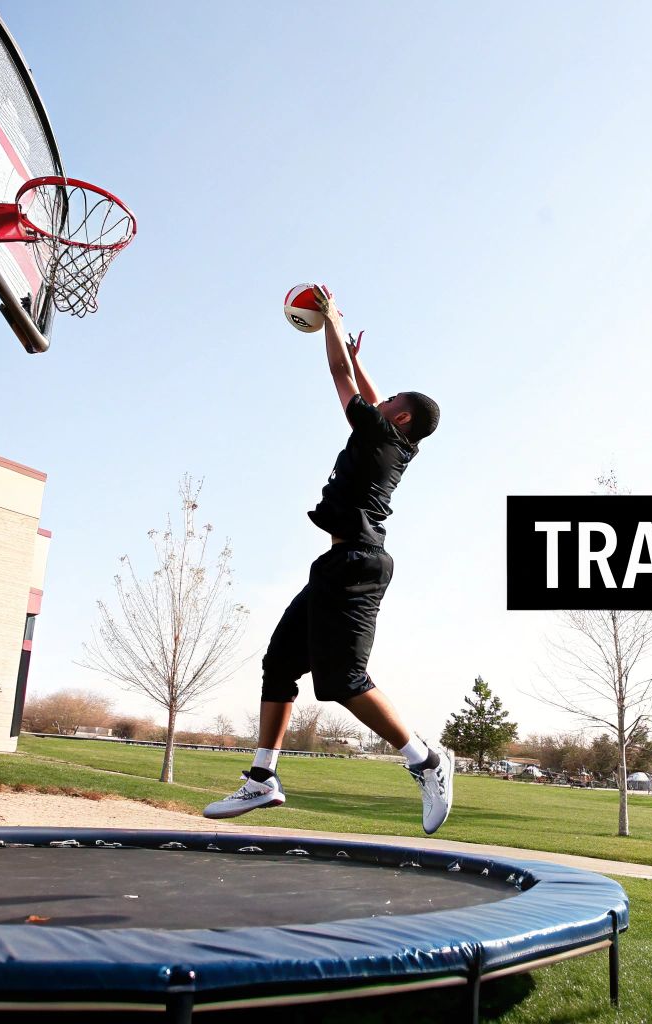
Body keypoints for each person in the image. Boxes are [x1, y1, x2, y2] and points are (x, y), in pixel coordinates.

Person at [205, 286, 452, 833]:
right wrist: (360, 361)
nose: (377, 399)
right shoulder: (395, 439)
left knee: (344, 680)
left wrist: (333, 321)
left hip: (359, 566)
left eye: (389, 401)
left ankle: (426, 761)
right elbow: (370, 390)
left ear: (399, 417)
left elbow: (340, 374)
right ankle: (262, 779)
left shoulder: (382, 434)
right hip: (339, 564)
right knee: (279, 663)